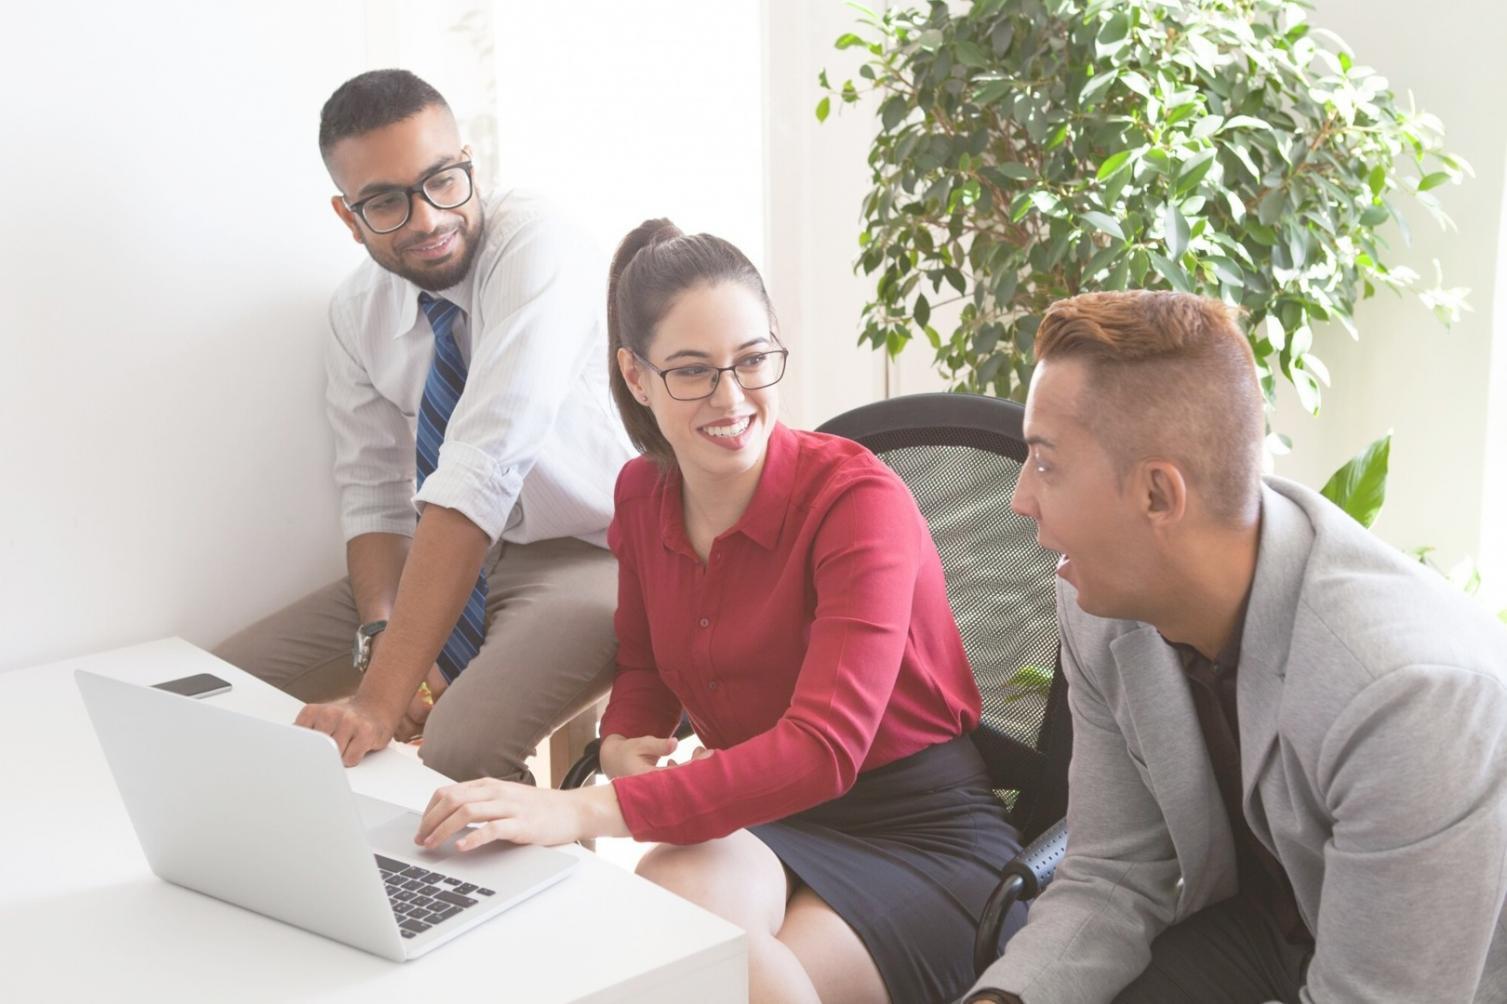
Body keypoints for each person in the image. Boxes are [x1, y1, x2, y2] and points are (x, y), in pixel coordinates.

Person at [414, 219, 1028, 1003]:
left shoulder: (857, 502)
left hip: (918, 835)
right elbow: (640, 664)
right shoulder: (640, 494)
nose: (730, 397)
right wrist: (621, 742)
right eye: (692, 371)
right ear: (635, 377)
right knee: (673, 918)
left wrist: (580, 809)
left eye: (752, 360)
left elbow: (822, 748)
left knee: (720, 978)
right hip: (761, 814)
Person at [964, 291, 1507, 1004]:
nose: (1019, 499)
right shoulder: (1099, 601)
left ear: (1158, 494)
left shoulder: (1407, 693)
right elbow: (1113, 872)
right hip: (1266, 934)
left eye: (1045, 464)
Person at [213, 69, 634, 783]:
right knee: (216, 694)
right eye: (385, 201)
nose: (428, 218)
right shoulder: (355, 315)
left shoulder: (538, 246)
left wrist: (380, 699)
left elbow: (483, 466)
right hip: (448, 550)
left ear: (470, 163)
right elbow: (374, 494)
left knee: (460, 752)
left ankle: (492, 886)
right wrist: (382, 633)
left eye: (442, 180)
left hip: (594, 549)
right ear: (348, 217)